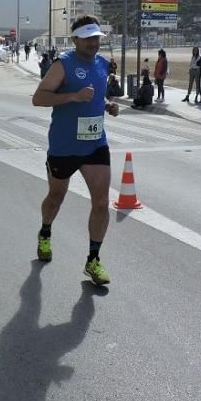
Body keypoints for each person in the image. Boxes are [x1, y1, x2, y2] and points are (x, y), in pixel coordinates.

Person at [32, 16, 119, 286]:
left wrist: (107, 105)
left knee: (102, 202)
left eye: (96, 37)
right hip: (64, 145)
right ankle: (45, 232)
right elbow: (38, 98)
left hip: (95, 144)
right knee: (56, 196)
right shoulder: (63, 65)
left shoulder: (103, 64)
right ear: (75, 40)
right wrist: (72, 96)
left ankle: (93, 260)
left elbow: (97, 96)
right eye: (88, 37)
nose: (94, 42)